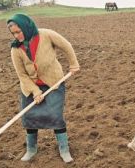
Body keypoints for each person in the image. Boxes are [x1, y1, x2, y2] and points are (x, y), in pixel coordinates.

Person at [7, 14, 80, 162]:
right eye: (13, 33)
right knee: (29, 116)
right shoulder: (16, 49)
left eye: (18, 31)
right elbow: (22, 75)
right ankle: (31, 149)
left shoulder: (46, 34)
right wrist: (35, 91)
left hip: (53, 82)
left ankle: (64, 149)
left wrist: (73, 63)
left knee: (55, 115)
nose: (16, 36)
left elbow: (66, 45)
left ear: (26, 27)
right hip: (30, 86)